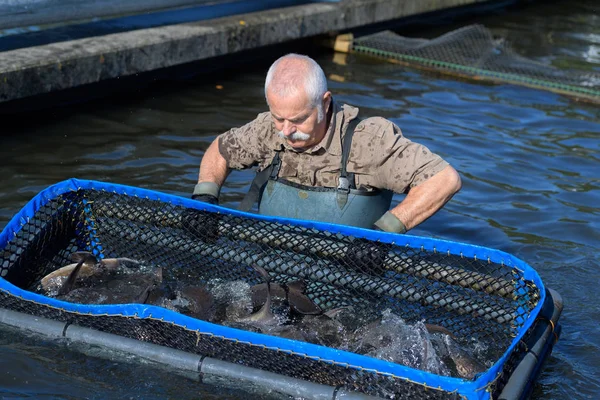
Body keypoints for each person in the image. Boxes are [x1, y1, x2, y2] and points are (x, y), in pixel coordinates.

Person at [192, 53, 461, 234]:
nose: (286, 131)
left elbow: (443, 180)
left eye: (298, 120)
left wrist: (383, 234)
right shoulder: (267, 129)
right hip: (273, 264)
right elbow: (220, 150)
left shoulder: (369, 141)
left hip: (349, 272)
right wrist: (205, 197)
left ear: (325, 102)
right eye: (279, 118)